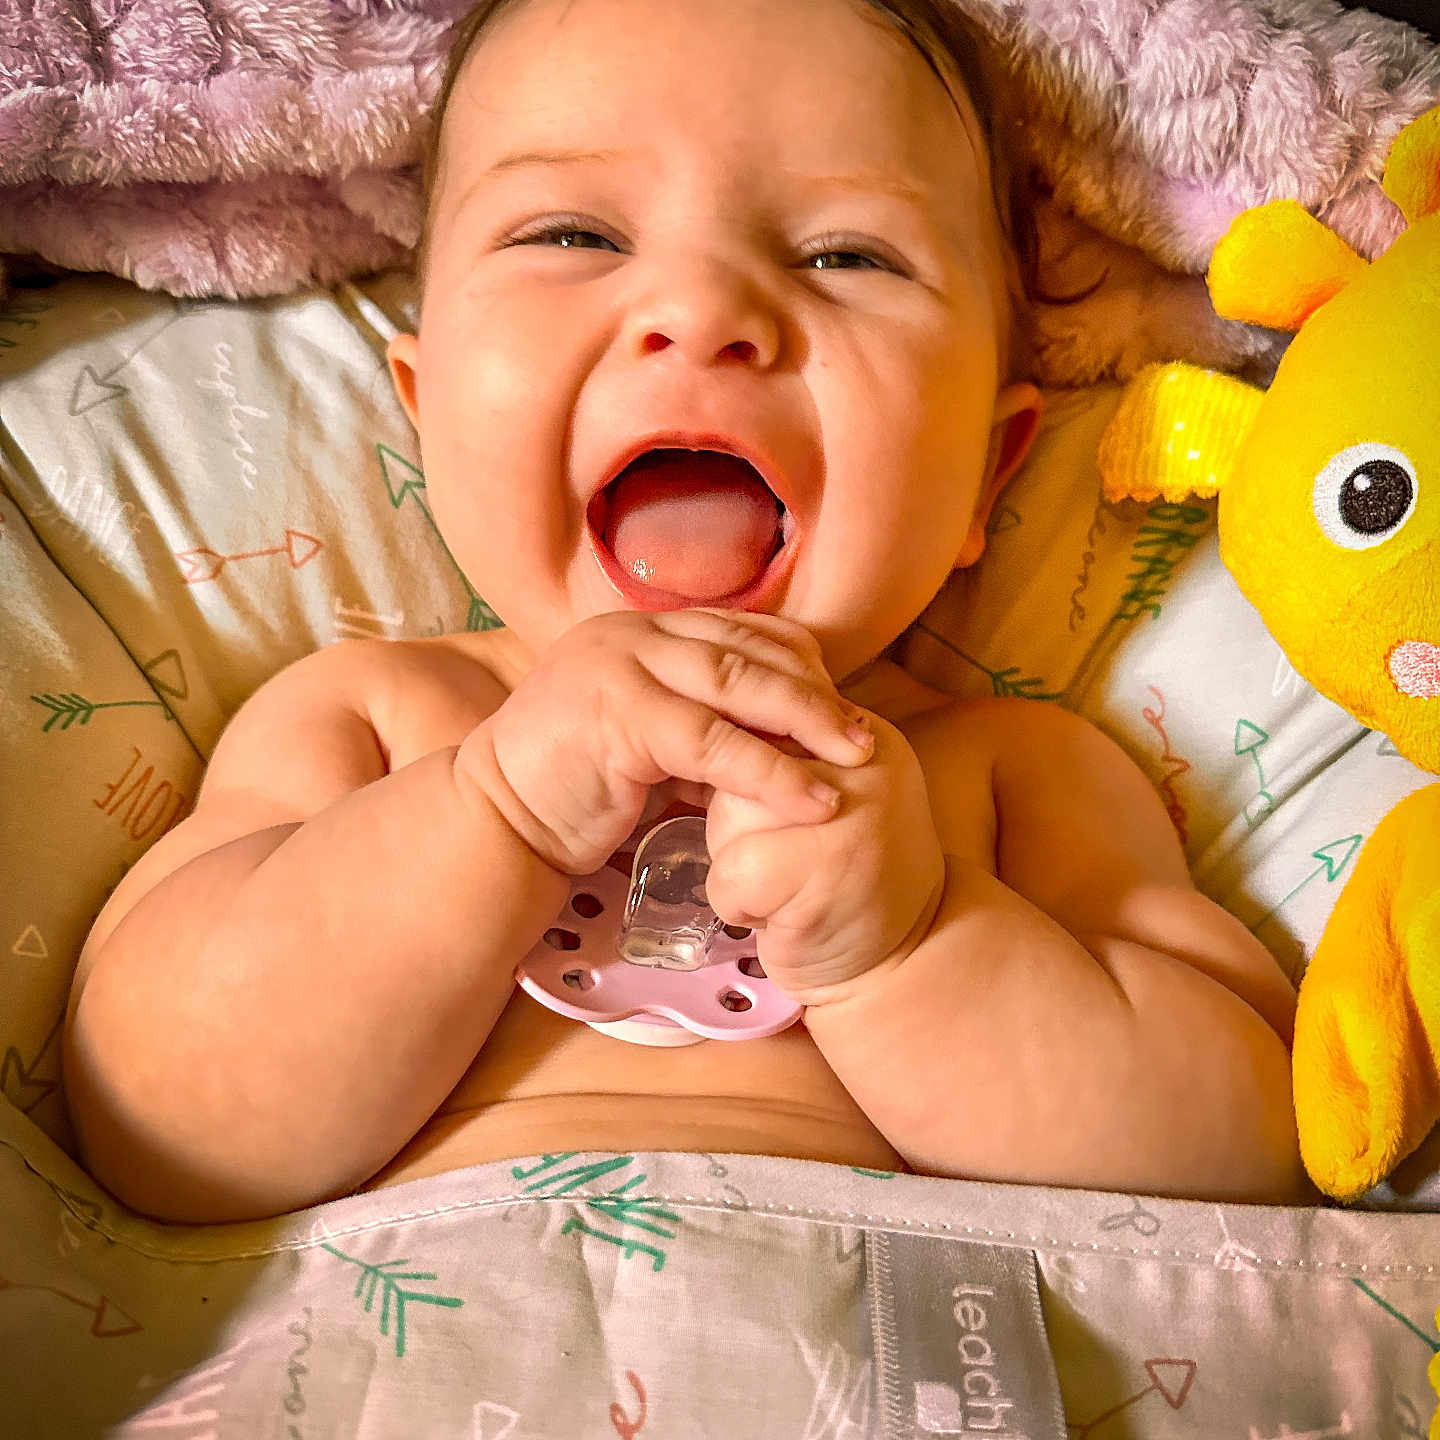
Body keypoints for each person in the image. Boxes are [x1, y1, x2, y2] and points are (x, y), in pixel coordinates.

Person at [62, 0, 1310, 1224]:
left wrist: (916, 940)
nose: (705, 313)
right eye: (572, 234)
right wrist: (495, 808)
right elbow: (158, 1120)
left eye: (846, 256)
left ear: (986, 473)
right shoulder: (370, 721)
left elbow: (1246, 1151)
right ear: (423, 408)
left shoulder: (1011, 778)